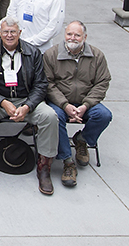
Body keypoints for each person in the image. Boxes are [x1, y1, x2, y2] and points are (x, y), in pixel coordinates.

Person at [0, 16, 59, 195]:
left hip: (26, 100)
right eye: (5, 32)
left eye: (13, 32)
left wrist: (27, 106)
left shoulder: (33, 52)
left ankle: (44, 168)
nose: (9, 35)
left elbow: (41, 85)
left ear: (20, 33)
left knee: (50, 116)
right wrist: (2, 102)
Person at [44, 21, 112, 188]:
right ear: (64, 35)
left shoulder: (97, 56)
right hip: (60, 103)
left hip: (85, 103)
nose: (72, 38)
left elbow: (102, 82)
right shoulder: (51, 55)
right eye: (69, 34)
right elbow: (47, 83)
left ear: (85, 37)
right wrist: (65, 105)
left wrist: (86, 105)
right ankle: (68, 162)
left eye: (77, 35)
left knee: (104, 115)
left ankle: (82, 140)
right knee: (54, 117)